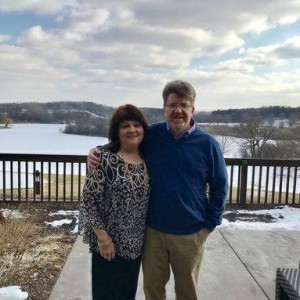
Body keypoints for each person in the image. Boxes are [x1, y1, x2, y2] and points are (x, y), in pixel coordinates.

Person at [87, 80, 228, 300]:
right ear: (164, 109)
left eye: (183, 105)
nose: (178, 110)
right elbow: (123, 143)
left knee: (187, 292)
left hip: (190, 234)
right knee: (153, 291)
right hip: (153, 233)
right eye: (172, 105)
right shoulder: (152, 135)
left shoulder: (208, 144)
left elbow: (220, 188)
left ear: (193, 109)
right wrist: (96, 151)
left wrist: (208, 227)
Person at [78, 104, 150, 300]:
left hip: (135, 247)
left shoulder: (148, 158)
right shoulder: (105, 159)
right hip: (108, 246)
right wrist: (104, 240)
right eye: (125, 126)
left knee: (127, 295)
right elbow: (89, 201)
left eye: (137, 124)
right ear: (116, 131)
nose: (132, 130)